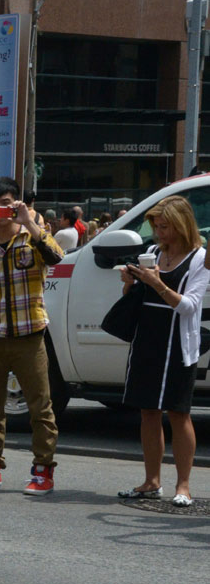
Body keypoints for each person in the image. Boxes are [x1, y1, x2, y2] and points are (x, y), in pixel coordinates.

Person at [0, 176, 65, 493]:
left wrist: (30, 224)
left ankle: (42, 472)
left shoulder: (33, 239)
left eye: (6, 203)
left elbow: (56, 257)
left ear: (17, 204)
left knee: (40, 407)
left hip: (29, 336)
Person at [117, 196, 207, 507]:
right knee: (148, 411)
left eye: (165, 227)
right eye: (156, 227)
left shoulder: (199, 259)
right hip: (147, 338)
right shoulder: (153, 253)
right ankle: (151, 481)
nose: (160, 234)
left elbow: (189, 306)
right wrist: (130, 284)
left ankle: (183, 485)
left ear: (182, 225)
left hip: (177, 344)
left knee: (179, 412)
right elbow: (139, 298)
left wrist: (157, 284)